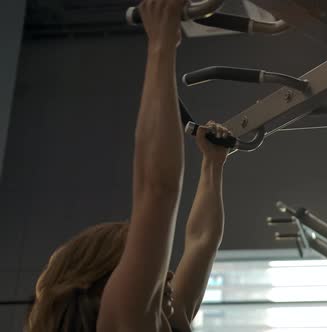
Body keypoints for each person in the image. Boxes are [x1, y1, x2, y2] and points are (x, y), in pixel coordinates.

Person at [24, 0, 231, 331]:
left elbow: (202, 241)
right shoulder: (129, 321)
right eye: (151, 262)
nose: (167, 272)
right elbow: (156, 191)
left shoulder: (166, 320)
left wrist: (212, 163)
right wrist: (161, 42)